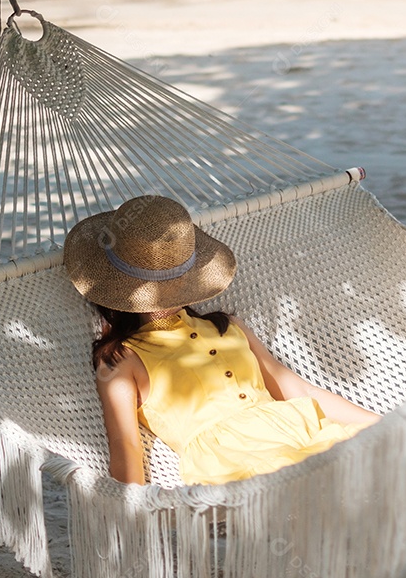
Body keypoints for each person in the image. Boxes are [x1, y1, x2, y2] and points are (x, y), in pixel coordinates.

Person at [63, 194, 380, 486]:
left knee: (380, 472)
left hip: (304, 430)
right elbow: (126, 445)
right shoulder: (121, 358)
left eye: (177, 280)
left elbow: (297, 389)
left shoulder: (227, 326)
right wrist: (132, 514)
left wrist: (383, 425)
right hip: (234, 460)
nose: (168, 295)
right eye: (159, 281)